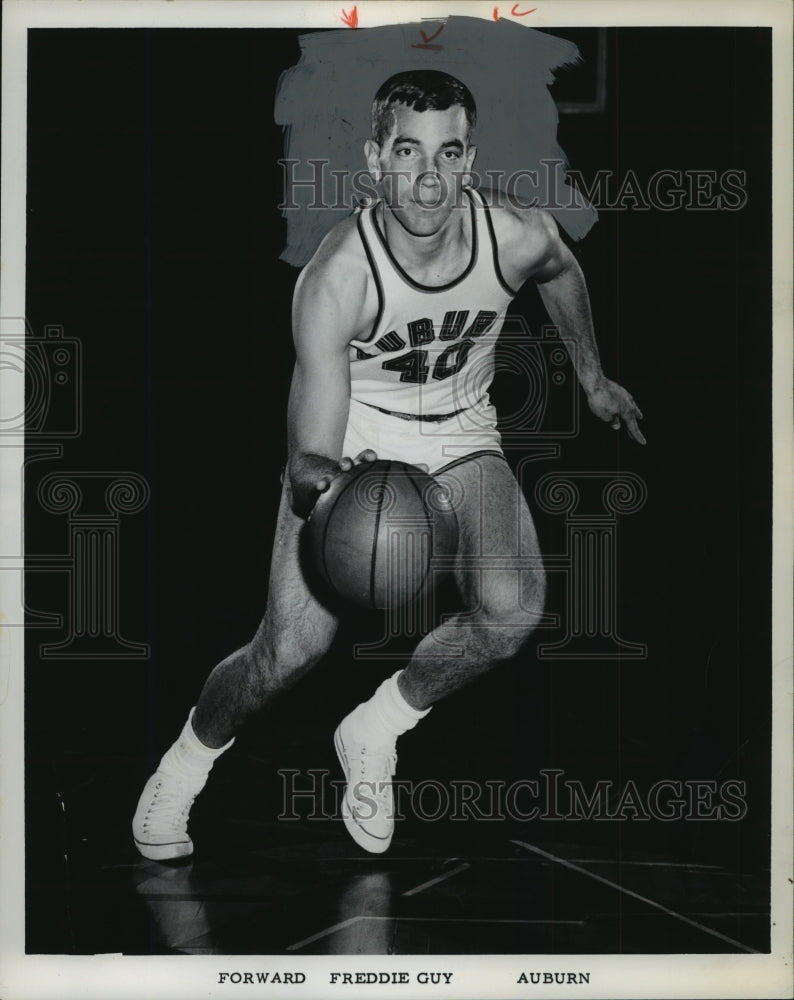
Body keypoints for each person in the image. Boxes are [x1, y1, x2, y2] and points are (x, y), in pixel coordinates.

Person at [133, 70, 645, 859]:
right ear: (376, 158)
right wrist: (336, 486)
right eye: (408, 152)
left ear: (469, 160)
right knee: (289, 650)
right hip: (355, 442)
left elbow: (563, 272)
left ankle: (376, 727)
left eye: (448, 153)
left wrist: (591, 377)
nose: (429, 177)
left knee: (513, 611)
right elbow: (308, 449)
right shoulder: (338, 276)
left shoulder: (515, 232)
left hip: (463, 434)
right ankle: (188, 760)